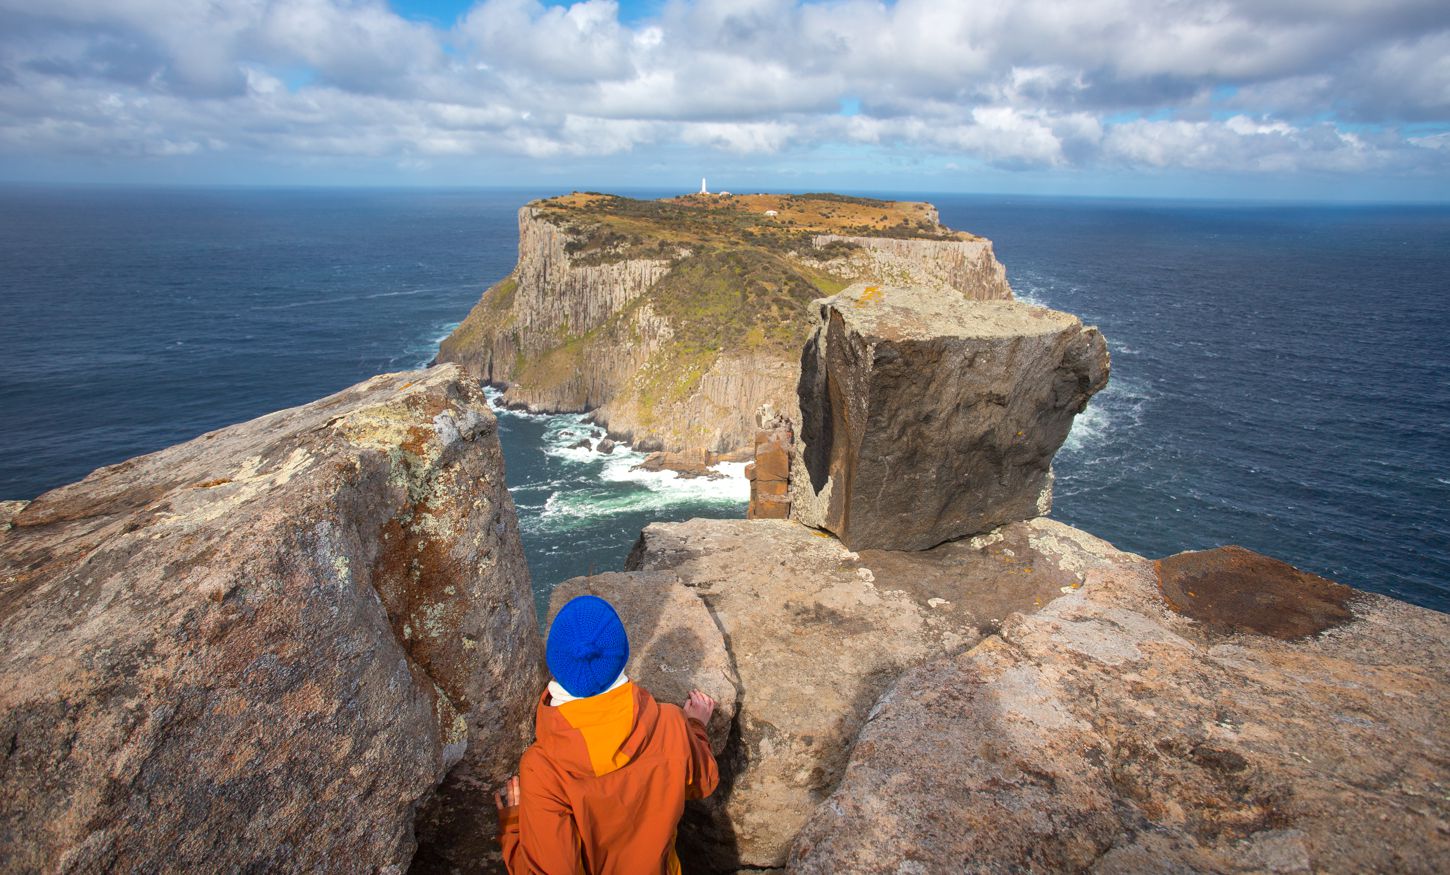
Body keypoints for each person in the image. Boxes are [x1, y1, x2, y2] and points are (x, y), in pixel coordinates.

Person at [495, 594, 719, 874]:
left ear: (554, 661)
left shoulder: (542, 770)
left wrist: (514, 831)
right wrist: (694, 727)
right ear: (621, 654)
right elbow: (704, 782)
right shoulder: (670, 723)